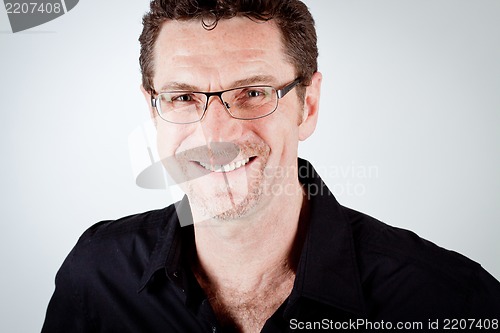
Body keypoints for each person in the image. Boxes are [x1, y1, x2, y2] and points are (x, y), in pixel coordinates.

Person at [42, 0, 500, 332]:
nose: (216, 134)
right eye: (183, 97)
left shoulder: (447, 300)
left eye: (253, 93)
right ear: (153, 109)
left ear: (310, 105)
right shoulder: (97, 274)